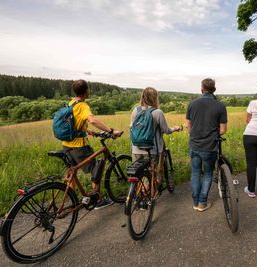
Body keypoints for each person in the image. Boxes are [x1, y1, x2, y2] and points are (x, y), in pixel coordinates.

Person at [62, 79, 122, 209]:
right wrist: (111, 131)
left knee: (72, 172)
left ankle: (71, 200)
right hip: (79, 146)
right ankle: (97, 200)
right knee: (96, 166)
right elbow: (92, 120)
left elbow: (74, 123)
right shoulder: (83, 105)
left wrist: (88, 131)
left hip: (66, 144)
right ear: (86, 91)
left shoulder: (71, 103)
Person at [186, 78, 227, 212]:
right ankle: (203, 203)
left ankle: (195, 202)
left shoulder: (192, 104)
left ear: (202, 88)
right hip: (210, 146)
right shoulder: (220, 106)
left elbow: (188, 126)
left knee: (195, 172)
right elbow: (223, 130)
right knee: (208, 173)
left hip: (194, 144)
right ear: (214, 89)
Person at [131, 87, 181, 163]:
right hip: (152, 150)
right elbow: (166, 130)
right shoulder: (158, 112)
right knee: (152, 173)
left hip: (136, 149)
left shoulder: (136, 110)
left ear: (143, 97)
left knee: (137, 173)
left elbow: (132, 127)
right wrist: (175, 128)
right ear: (155, 98)